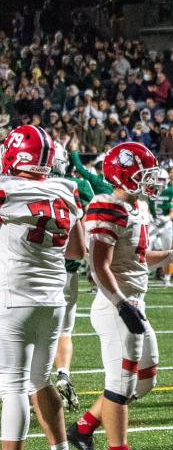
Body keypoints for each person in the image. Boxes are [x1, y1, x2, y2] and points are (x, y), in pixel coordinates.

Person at [68, 142, 173, 450]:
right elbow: (98, 265)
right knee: (121, 383)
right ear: (123, 174)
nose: (151, 181)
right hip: (116, 306)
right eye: (145, 174)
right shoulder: (107, 206)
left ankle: (83, 428)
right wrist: (120, 303)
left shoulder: (136, 207)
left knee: (145, 379)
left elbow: (140, 259)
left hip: (133, 302)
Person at [0, 126, 86, 450]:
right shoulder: (67, 190)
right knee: (39, 380)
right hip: (53, 300)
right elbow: (78, 250)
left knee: (13, 386)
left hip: (15, 297)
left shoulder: (6, 189)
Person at [50, 142, 95, 412]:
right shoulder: (72, 187)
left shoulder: (13, 186)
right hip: (64, 272)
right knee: (63, 331)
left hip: (22, 273)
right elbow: (81, 244)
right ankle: (63, 374)